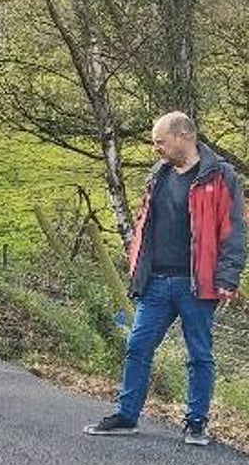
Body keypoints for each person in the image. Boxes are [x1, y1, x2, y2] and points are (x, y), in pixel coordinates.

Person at [85, 111, 245, 445]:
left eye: (160, 141)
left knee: (199, 354)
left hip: (197, 283)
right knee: (137, 347)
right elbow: (145, 224)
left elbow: (233, 231)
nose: (155, 148)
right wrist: (137, 269)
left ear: (183, 136)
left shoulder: (220, 176)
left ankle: (196, 423)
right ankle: (127, 416)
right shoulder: (158, 174)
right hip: (156, 281)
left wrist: (227, 278)